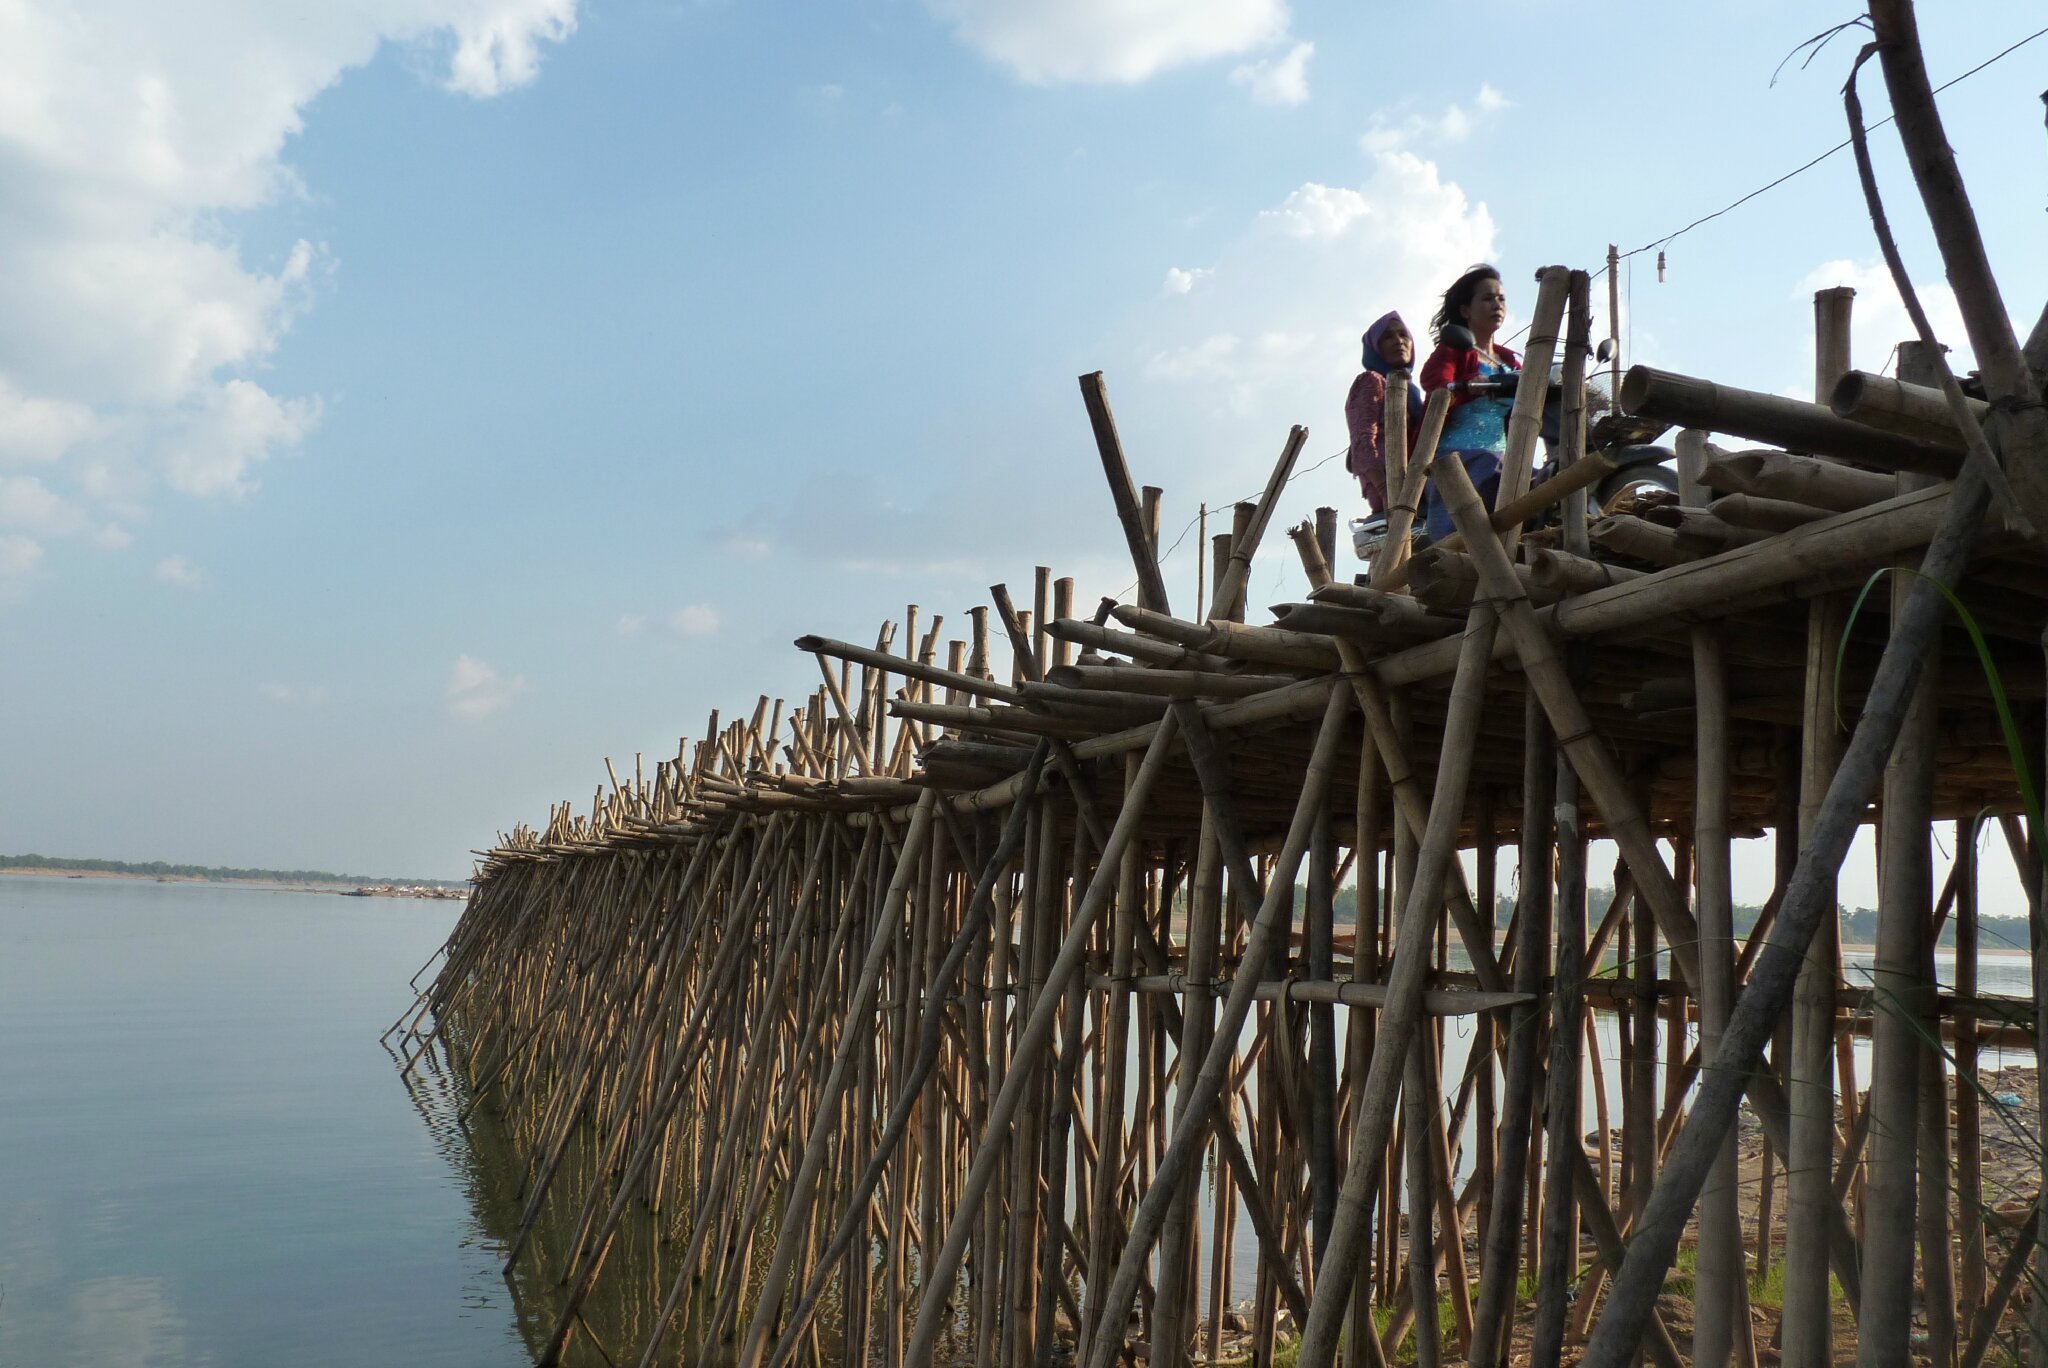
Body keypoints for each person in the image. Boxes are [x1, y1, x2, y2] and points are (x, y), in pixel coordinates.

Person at [1418, 265, 1520, 540]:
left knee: (1537, 480)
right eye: (1487, 298)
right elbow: (1434, 381)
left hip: (1503, 455)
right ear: (1465, 310)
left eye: (1501, 298)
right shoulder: (1454, 348)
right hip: (1459, 456)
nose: (1496, 304)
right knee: (1490, 474)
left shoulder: (1510, 362)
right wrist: (1466, 386)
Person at [1342, 312, 1423, 514]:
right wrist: (1386, 489)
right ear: (1375, 348)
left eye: (1403, 335)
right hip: (1389, 487)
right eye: (1387, 337)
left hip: (1415, 480)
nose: (1398, 341)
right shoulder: (1371, 381)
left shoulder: (1410, 390)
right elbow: (1363, 440)